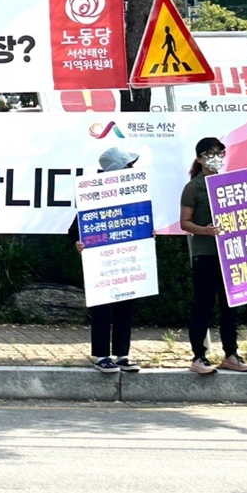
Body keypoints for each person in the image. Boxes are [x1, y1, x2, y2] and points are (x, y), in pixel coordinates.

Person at [179, 136, 247, 376]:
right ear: (200, 158)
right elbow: (185, 223)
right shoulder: (194, 187)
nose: (217, 158)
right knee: (203, 305)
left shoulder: (230, 183)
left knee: (230, 305)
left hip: (231, 253)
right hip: (206, 254)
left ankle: (231, 354)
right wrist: (205, 231)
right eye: (211, 153)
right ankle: (198, 356)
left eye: (220, 153)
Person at [70, 146, 142, 374]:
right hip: (101, 259)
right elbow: (75, 228)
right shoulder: (94, 192)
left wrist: (147, 234)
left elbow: (140, 221)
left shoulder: (134, 192)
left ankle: (122, 354)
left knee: (125, 305)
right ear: (117, 168)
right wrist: (78, 243)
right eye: (129, 165)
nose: (132, 169)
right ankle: (101, 355)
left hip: (126, 257)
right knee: (102, 306)